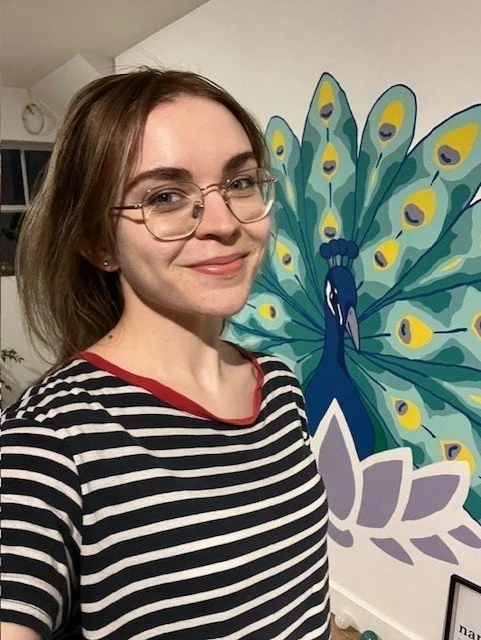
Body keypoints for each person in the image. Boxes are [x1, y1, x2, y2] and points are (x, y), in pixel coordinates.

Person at [1, 68, 330, 640]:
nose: (224, 224)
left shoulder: (279, 388)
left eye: (240, 182)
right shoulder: (50, 442)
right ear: (99, 241)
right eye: (165, 196)